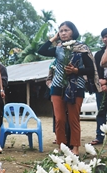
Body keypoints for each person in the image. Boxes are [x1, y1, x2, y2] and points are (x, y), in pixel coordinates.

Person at [37, 21, 100, 155]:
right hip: (57, 86)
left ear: (73, 32)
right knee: (59, 119)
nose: (63, 33)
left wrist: (76, 71)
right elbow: (41, 50)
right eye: (61, 31)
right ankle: (61, 146)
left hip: (76, 87)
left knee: (73, 118)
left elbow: (91, 70)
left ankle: (75, 148)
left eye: (66, 30)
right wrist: (54, 39)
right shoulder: (58, 48)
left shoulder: (82, 48)